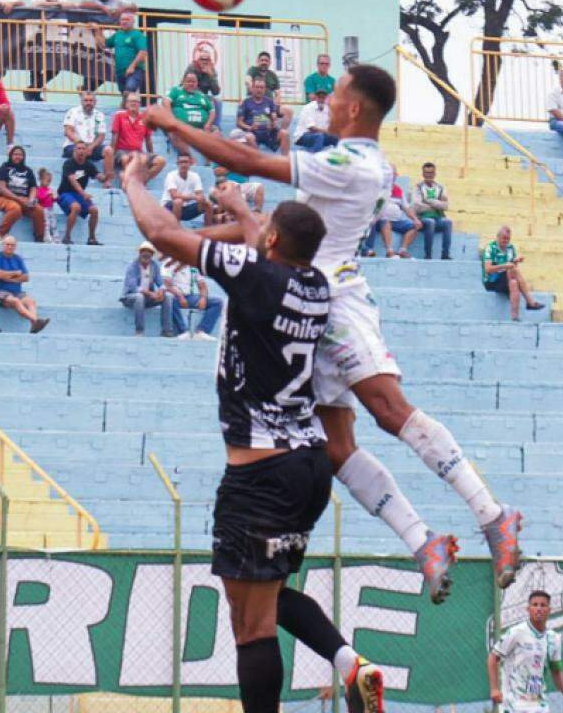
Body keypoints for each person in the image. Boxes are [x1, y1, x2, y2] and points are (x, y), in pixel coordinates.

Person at [146, 63, 521, 601]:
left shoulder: (351, 163)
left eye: (335, 94)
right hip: (305, 307)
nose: (325, 101)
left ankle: (494, 515)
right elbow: (272, 227)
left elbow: (248, 160)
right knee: (335, 448)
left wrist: (174, 124)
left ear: (351, 108)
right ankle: (424, 542)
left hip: (338, 304)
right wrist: (184, 239)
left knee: (390, 410)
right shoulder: (342, 162)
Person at [122, 156, 385, 713]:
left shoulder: (256, 273)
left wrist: (130, 182)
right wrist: (244, 210)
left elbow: (161, 232)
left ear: (272, 241)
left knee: (251, 625)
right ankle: (349, 663)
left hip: (259, 471)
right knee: (269, 595)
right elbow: (263, 248)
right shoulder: (313, 284)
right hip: (309, 465)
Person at [487, 591, 563, 712]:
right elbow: (493, 657)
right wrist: (494, 689)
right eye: (535, 605)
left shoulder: (553, 638)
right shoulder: (517, 632)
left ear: (549, 610)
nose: (538, 609)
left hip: (538, 702)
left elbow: (556, 669)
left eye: (543, 605)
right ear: (528, 609)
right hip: (514, 703)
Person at [482, 226, 545, 322]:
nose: (506, 241)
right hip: (492, 281)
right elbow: (487, 269)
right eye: (504, 238)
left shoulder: (510, 248)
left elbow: (511, 267)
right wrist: (505, 266)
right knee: (513, 270)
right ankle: (530, 301)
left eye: (508, 238)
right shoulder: (490, 248)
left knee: (514, 283)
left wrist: (515, 261)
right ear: (498, 237)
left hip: (506, 278)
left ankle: (514, 317)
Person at [0, 235, 50, 333]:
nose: (10, 247)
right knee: (16, 301)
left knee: (31, 301)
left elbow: (26, 277)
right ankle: (35, 321)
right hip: (1, 293)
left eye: (12, 245)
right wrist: (15, 273)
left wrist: (10, 278)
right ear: (2, 245)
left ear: (15, 246)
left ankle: (34, 325)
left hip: (17, 292)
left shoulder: (18, 258)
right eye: (7, 244)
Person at [104, 91, 165, 185]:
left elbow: (148, 140)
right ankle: (128, 183)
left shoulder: (145, 117)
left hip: (138, 152)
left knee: (161, 161)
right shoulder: (119, 115)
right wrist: (113, 155)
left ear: (139, 104)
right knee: (127, 159)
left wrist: (151, 155)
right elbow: (114, 136)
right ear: (126, 103)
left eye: (136, 101)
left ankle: (143, 180)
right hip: (122, 151)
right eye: (131, 101)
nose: (133, 103)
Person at [120, 242, 177, 336]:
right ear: (140, 253)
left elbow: (160, 282)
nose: (146, 254)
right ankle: (139, 331)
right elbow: (133, 287)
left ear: (152, 254)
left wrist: (161, 291)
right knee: (139, 297)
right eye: (143, 251)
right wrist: (151, 294)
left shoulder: (154, 266)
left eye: (149, 252)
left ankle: (166, 330)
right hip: (130, 298)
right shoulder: (132, 266)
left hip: (147, 298)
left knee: (168, 296)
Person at [161, 258, 224, 341]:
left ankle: (201, 331)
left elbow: (202, 285)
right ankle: (183, 331)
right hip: (175, 296)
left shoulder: (193, 265)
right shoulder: (169, 263)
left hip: (189, 297)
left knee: (217, 302)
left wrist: (203, 298)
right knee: (169, 298)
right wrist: (180, 296)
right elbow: (167, 285)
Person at [362, 171, 420, 258]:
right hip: (379, 220)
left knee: (413, 226)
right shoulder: (378, 188)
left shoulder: (398, 190)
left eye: (394, 174)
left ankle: (402, 250)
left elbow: (407, 208)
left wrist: (415, 219)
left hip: (397, 221)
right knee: (385, 221)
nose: (392, 176)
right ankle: (389, 251)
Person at [0, 145, 45, 242]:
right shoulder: (4, 167)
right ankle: (0, 234)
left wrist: (31, 200)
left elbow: (33, 188)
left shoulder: (28, 171)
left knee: (39, 210)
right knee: (15, 209)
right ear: (11, 156)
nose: (18, 156)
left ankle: (39, 238)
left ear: (24, 157)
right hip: (4, 198)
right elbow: (2, 188)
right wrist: (18, 199)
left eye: (20, 155)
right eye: (15, 154)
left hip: (23, 199)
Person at [57, 142, 102, 245]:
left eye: (83, 149)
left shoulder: (89, 165)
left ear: (87, 152)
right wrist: (84, 194)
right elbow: (73, 180)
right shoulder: (68, 163)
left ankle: (91, 238)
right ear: (74, 151)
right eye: (78, 148)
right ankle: (67, 237)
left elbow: (98, 176)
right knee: (76, 207)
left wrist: (106, 177)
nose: (81, 151)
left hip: (78, 195)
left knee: (94, 210)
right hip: (65, 193)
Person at [165, 70, 218, 157]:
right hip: (181, 127)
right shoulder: (176, 91)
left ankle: (211, 163)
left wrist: (208, 124)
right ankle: (190, 158)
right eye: (188, 81)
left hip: (201, 128)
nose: (191, 83)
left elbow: (212, 111)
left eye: (194, 81)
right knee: (175, 132)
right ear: (183, 82)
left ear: (197, 83)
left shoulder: (201, 95)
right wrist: (171, 119)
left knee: (216, 133)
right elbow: (166, 102)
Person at [409, 162, 453, 260]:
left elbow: (445, 206)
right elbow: (417, 206)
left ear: (435, 174)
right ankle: (428, 254)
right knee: (430, 222)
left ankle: (445, 254)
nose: (429, 175)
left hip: (439, 218)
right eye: (426, 173)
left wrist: (429, 201)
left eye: (431, 173)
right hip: (422, 218)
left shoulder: (441, 187)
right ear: (423, 174)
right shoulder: (418, 187)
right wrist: (437, 204)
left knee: (448, 222)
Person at [237, 77, 291, 156]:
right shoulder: (245, 102)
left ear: (265, 89)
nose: (259, 90)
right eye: (257, 87)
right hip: (253, 132)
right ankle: (258, 161)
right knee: (249, 137)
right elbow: (239, 122)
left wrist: (273, 123)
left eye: (261, 88)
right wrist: (249, 127)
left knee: (284, 133)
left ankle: (286, 161)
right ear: (252, 88)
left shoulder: (270, 102)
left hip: (268, 133)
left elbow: (274, 119)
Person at [246, 51, 293, 129]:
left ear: (270, 62)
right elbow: (247, 81)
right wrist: (254, 93)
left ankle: (281, 134)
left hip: (270, 105)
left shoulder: (273, 75)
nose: (264, 62)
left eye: (266, 61)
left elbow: (278, 94)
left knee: (288, 111)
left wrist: (273, 106)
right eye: (262, 60)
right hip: (256, 103)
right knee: (264, 119)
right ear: (258, 61)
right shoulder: (253, 70)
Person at [161, 154, 213, 224]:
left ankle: (208, 230)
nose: (183, 164)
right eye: (181, 162)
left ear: (190, 163)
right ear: (177, 164)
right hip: (168, 208)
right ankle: (176, 230)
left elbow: (199, 195)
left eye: (186, 162)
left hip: (185, 209)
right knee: (178, 201)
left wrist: (201, 201)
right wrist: (194, 197)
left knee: (208, 204)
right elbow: (174, 196)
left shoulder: (195, 176)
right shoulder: (171, 175)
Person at [106, 11, 148, 94]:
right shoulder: (118, 34)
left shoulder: (137, 35)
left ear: (133, 21)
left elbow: (143, 52)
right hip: (120, 71)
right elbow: (105, 44)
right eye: (122, 19)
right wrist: (96, 31)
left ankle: (124, 105)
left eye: (127, 19)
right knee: (123, 92)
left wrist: (132, 66)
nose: (124, 22)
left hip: (135, 70)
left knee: (129, 89)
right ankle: (125, 106)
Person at [62, 90, 107, 159]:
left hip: (93, 146)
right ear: (81, 101)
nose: (88, 103)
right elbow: (68, 131)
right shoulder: (73, 112)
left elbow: (101, 135)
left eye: (91, 100)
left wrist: (91, 147)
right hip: (74, 145)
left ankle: (108, 170)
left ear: (95, 102)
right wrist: (81, 145)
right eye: (85, 100)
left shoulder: (99, 115)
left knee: (108, 151)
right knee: (80, 150)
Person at [185, 50, 223, 127]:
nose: (204, 62)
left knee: (218, 101)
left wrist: (211, 75)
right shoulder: (192, 68)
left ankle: (215, 127)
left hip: (204, 96)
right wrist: (201, 95)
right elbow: (186, 85)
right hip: (189, 94)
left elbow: (216, 92)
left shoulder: (212, 70)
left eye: (207, 60)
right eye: (202, 59)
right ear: (198, 60)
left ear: (210, 61)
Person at [36, 168, 61, 243]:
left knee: (53, 223)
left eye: (49, 181)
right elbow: (40, 198)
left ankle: (56, 237)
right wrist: (48, 194)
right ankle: (46, 237)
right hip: (44, 209)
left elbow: (54, 199)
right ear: (41, 180)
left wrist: (55, 197)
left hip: (50, 209)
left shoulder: (49, 189)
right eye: (47, 181)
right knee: (46, 223)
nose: (48, 183)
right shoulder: (39, 189)